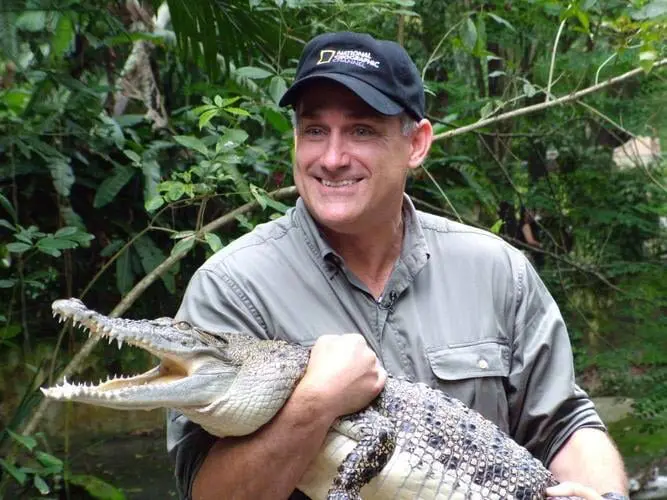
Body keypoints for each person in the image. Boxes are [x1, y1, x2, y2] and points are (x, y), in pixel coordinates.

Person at [167, 32, 628, 500]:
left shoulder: (496, 270)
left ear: (417, 144)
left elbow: (563, 424)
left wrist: (604, 496)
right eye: (314, 130)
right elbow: (206, 492)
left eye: (361, 130)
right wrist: (316, 402)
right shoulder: (231, 287)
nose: (331, 158)